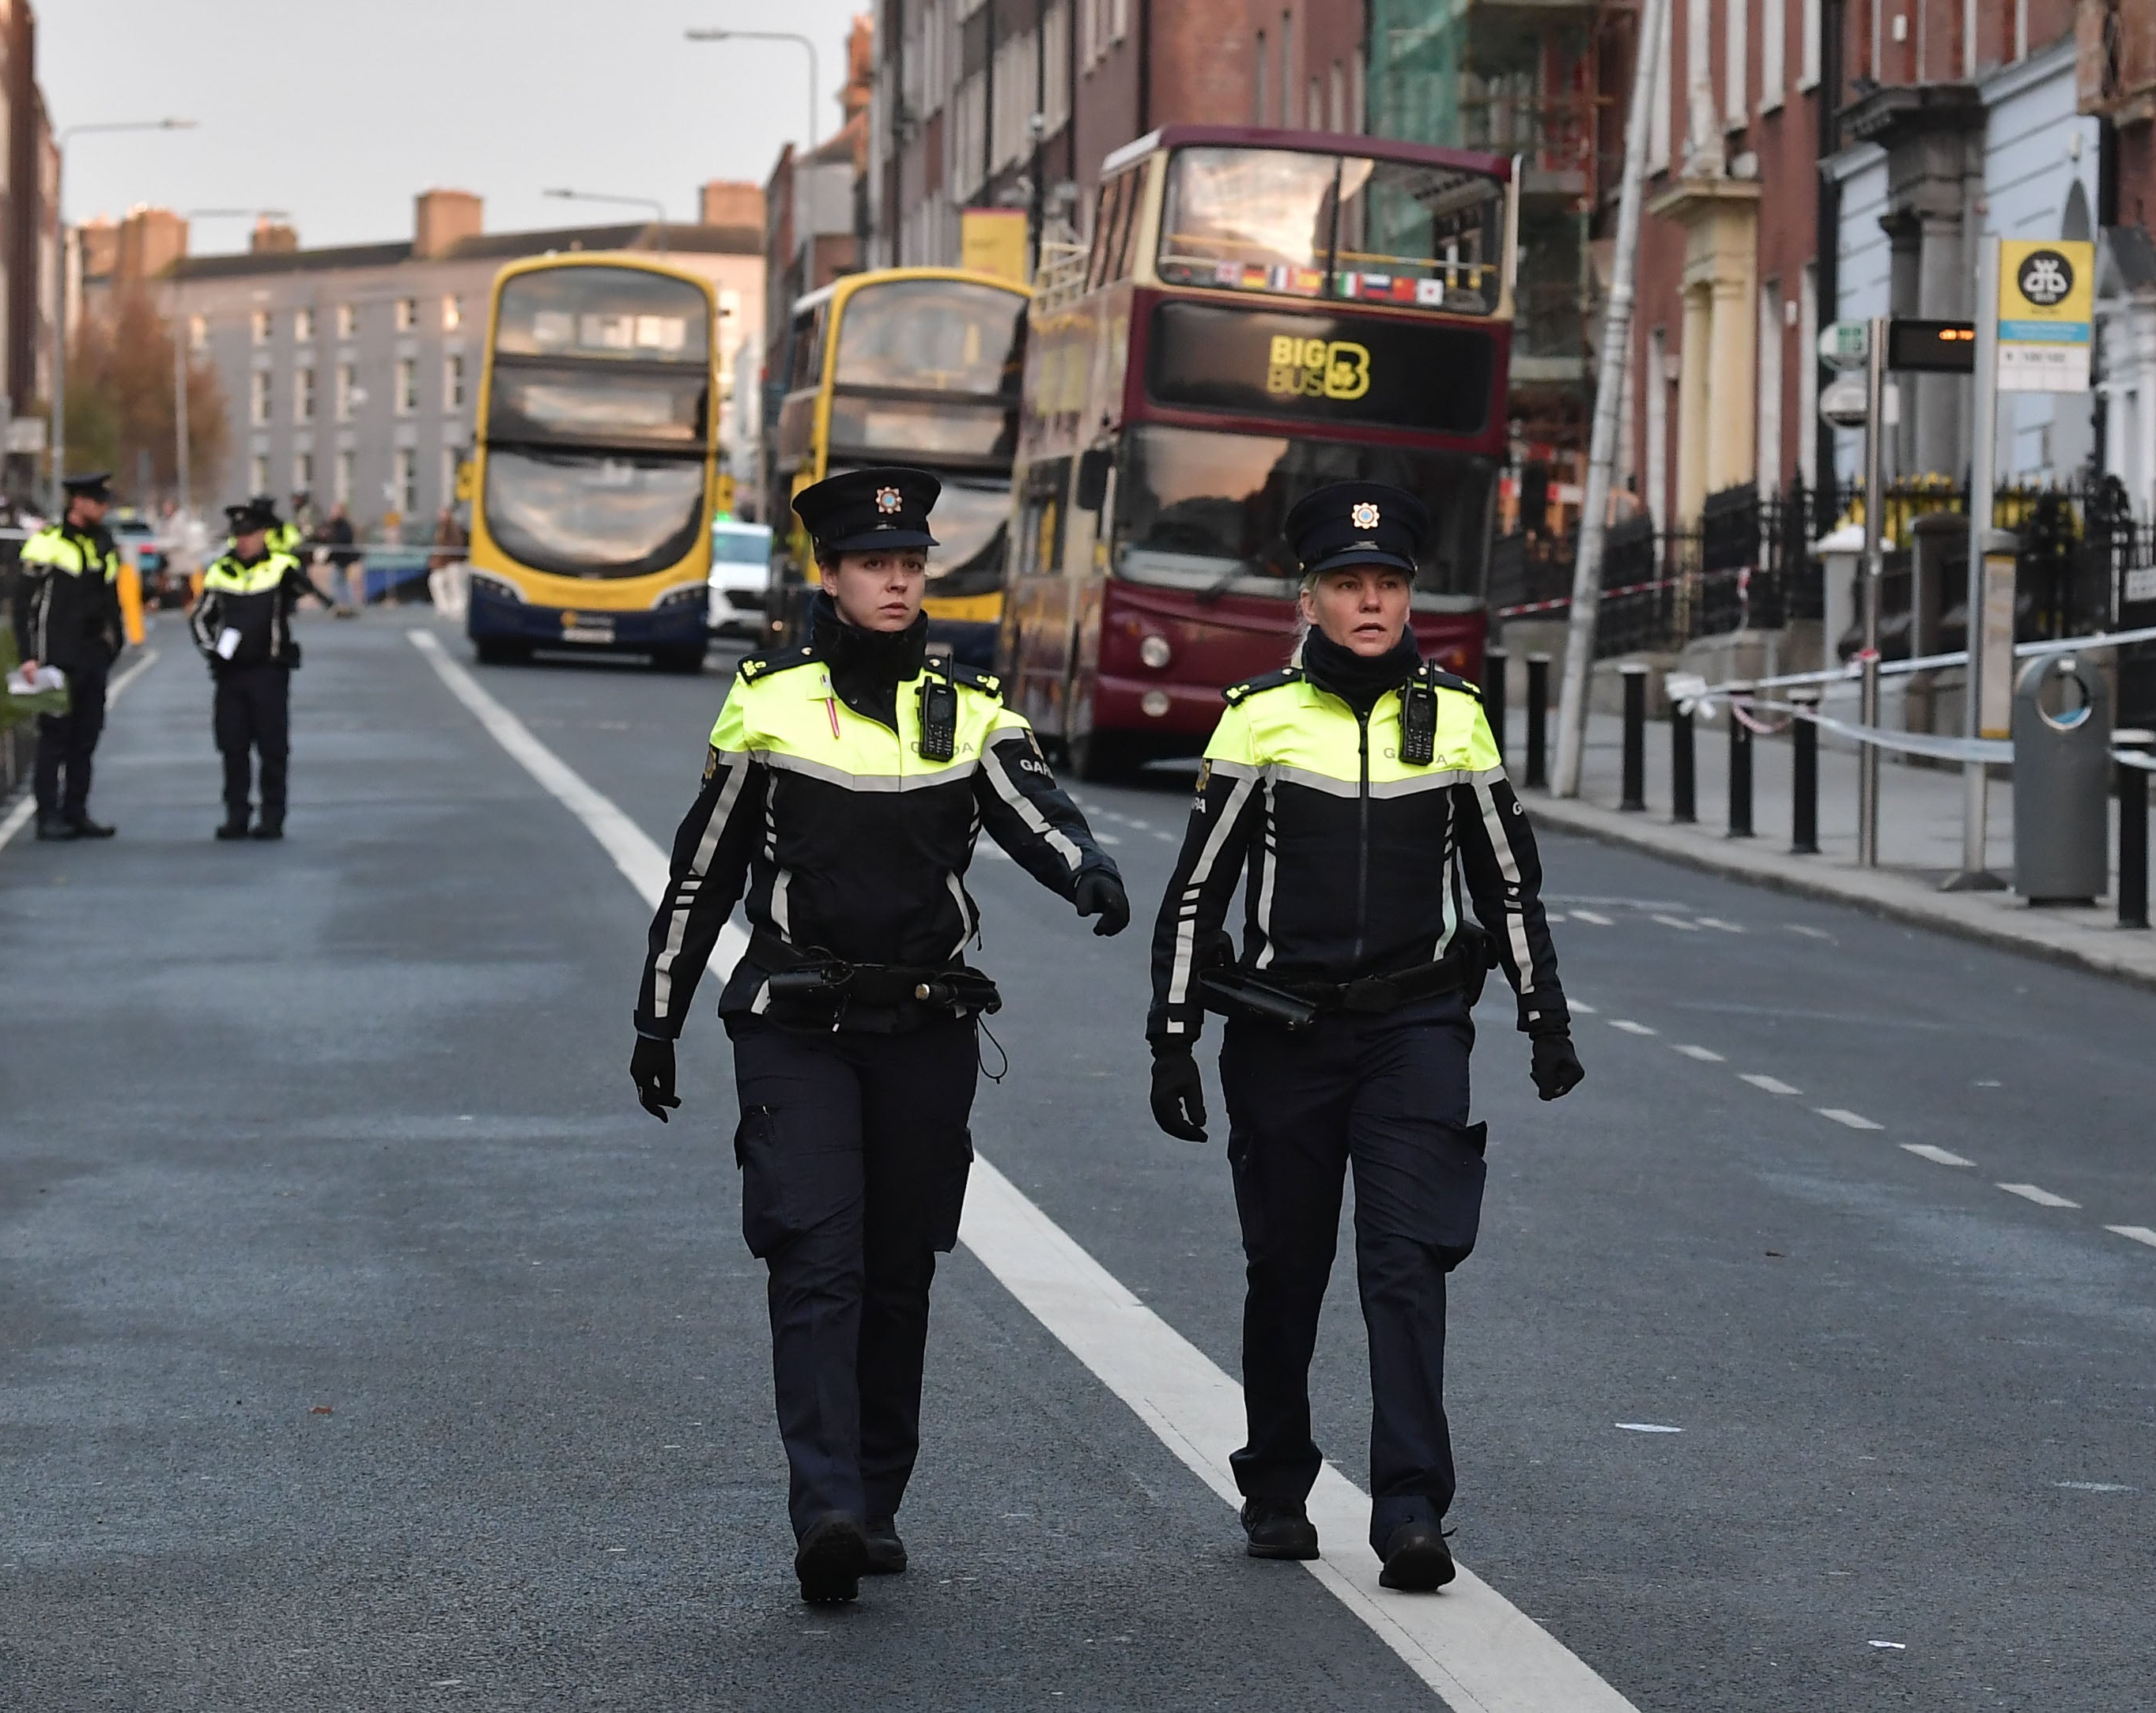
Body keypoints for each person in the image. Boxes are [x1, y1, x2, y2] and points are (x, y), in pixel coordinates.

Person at [632, 465, 1131, 1610]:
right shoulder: (765, 704)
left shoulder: (969, 709)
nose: (897, 581)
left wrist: (1086, 872)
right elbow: (700, 878)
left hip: (923, 1027)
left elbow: (1035, 812)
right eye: (874, 564)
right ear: (832, 575)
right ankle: (825, 1508)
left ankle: (875, 1491)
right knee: (816, 1254)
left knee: (899, 1265)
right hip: (797, 1022)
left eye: (911, 565)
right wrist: (656, 1015)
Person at [1142, 479, 1577, 1594]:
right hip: (1285, 1036)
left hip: (1415, 1029)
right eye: (1348, 583)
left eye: (1387, 583)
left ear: (1409, 594)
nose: (1370, 601)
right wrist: (1174, 1033)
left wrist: (1542, 1014)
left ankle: (1410, 1504)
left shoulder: (1458, 717)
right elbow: (1197, 890)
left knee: (1405, 1263)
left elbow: (1507, 884)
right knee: (1285, 1266)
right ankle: (1277, 1481)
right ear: (1312, 595)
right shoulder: (1258, 716)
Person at [189, 500, 315, 840]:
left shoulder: (280, 567)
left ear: (263, 535)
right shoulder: (220, 571)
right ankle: (237, 814)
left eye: (250, 534)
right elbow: (201, 618)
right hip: (231, 675)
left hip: (269, 672)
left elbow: (305, 590)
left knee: (273, 747)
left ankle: (273, 817)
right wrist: (211, 652)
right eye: (238, 535)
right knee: (233, 746)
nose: (243, 541)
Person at [14, 471, 130, 842]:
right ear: (77, 502)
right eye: (96, 501)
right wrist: (29, 655)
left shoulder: (103, 544)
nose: (102, 507)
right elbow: (23, 607)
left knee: (87, 736)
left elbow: (111, 599)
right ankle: (48, 815)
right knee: (54, 737)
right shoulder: (46, 544)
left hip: (93, 655)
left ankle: (76, 811)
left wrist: (116, 643)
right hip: (54, 657)